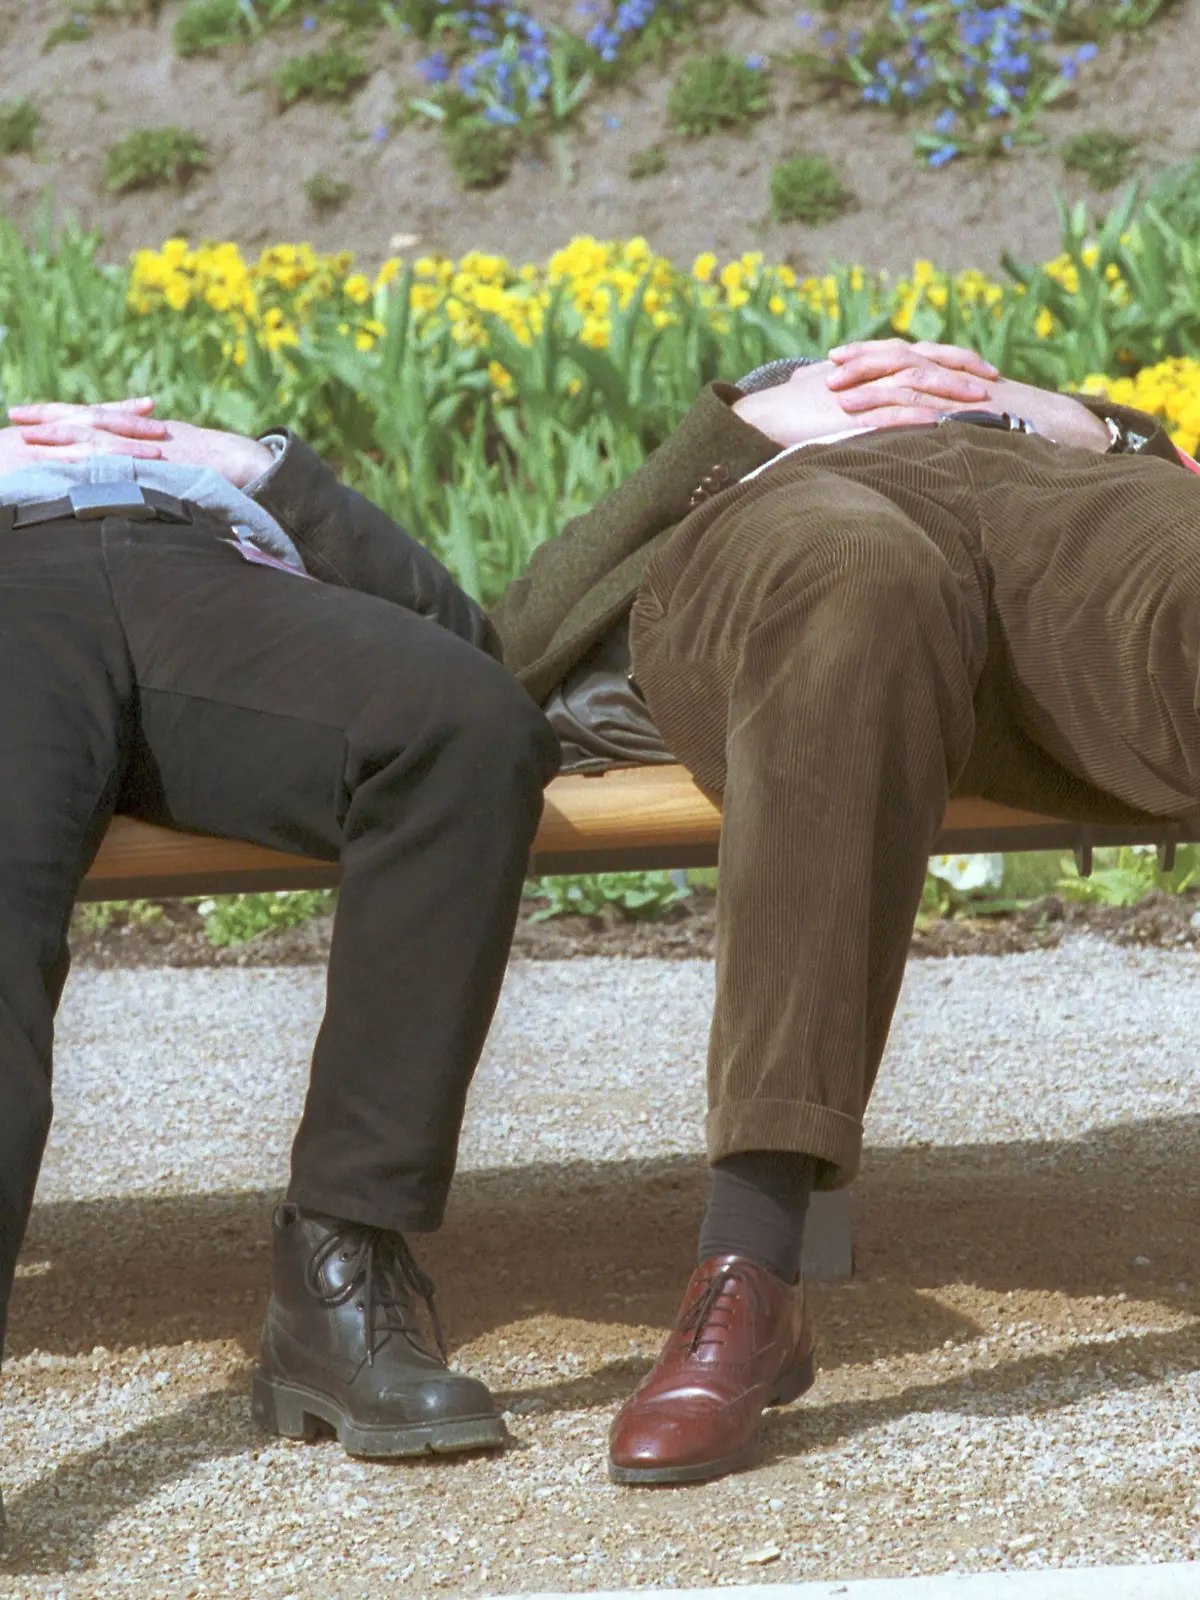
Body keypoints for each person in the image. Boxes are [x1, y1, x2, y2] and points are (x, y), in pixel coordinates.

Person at [12, 339, 1193, 1493]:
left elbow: (462, 660)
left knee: (467, 727)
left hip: (1074, 525)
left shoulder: (1075, 440)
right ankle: (750, 1264)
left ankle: (346, 1268)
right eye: (845, 371)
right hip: (807, 534)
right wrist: (747, 427)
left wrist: (1086, 421)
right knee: (853, 578)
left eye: (919, 368)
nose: (892, 379)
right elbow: (525, 636)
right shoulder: (759, 467)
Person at [0, 403, 561, 1547]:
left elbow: (460, 634)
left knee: (466, 723)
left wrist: (248, 465)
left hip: (210, 581)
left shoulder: (226, 486)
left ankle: (339, 1268)